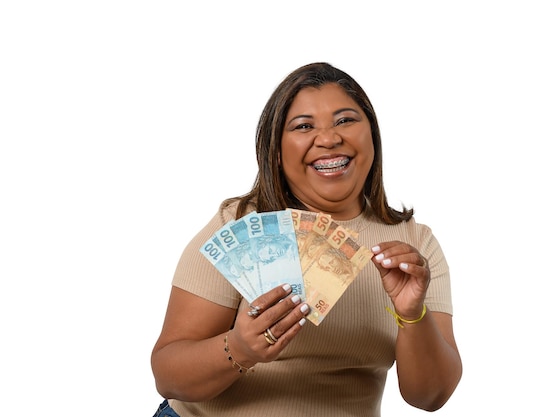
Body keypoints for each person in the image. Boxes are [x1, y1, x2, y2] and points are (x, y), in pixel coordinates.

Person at [151, 62, 462, 417]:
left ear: (372, 137)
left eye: (345, 120)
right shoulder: (240, 225)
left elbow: (431, 396)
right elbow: (168, 374)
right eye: (304, 126)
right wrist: (240, 348)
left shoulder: (415, 244)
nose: (329, 138)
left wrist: (412, 314)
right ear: (278, 151)